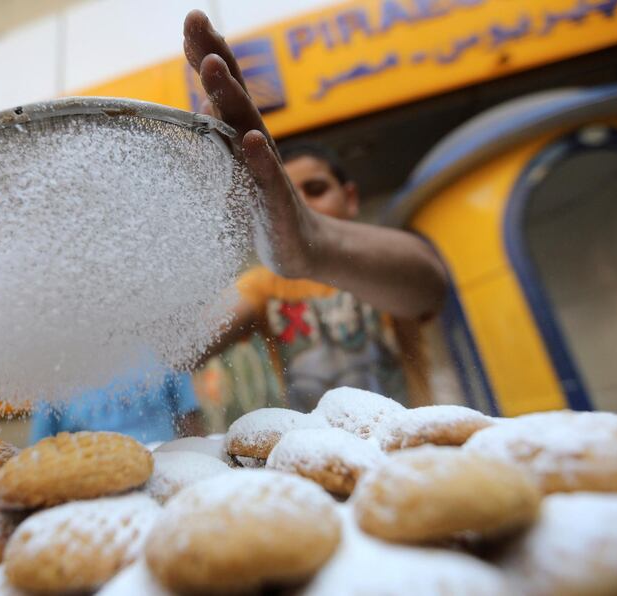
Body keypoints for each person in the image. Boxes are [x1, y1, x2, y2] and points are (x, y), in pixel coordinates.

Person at [182, 11, 448, 411]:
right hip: (310, 464)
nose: (300, 203)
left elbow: (429, 284)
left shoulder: (380, 256)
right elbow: (182, 349)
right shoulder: (265, 286)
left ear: (351, 197)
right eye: (289, 194)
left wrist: (317, 245)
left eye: (316, 189)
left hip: (409, 461)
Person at [29, 367, 203, 445]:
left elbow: (190, 421)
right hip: (94, 489)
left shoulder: (161, 342)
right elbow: (41, 447)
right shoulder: (56, 370)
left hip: (167, 467)